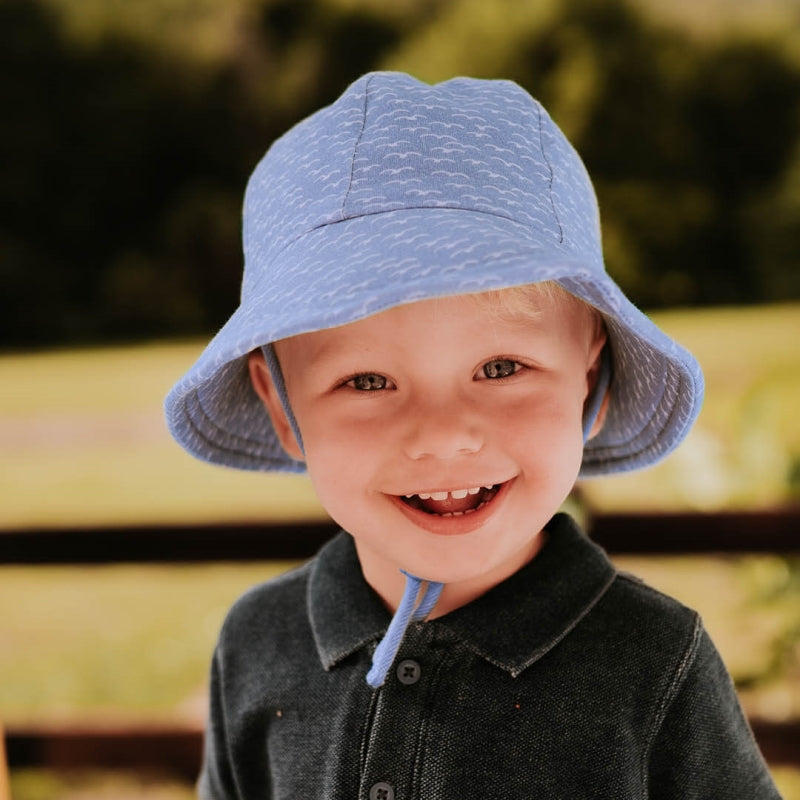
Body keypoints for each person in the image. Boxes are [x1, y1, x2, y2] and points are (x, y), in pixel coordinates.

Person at [165, 72, 781, 799]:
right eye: (366, 381)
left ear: (589, 373)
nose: (443, 436)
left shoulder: (652, 662)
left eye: (501, 366)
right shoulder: (256, 644)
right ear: (281, 405)